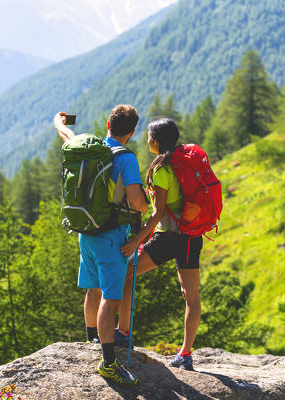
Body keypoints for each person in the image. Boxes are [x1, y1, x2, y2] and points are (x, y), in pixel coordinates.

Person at [53, 105, 148, 387]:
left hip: (86, 230)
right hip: (112, 236)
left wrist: (58, 122)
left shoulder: (90, 149)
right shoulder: (126, 158)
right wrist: (147, 200)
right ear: (131, 132)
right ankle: (108, 363)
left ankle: (92, 337)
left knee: (93, 286)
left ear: (108, 123)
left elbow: (65, 135)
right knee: (111, 296)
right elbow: (136, 202)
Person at [116, 118, 203, 371]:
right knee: (191, 296)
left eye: (148, 137)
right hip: (191, 235)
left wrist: (136, 239)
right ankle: (185, 354)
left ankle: (123, 334)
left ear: (155, 140)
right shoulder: (185, 160)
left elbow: (158, 212)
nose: (146, 140)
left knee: (126, 272)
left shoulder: (162, 168)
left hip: (169, 237)